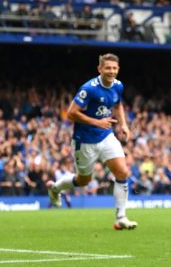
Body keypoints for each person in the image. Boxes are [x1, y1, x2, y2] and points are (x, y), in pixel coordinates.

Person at [46, 53, 137, 230]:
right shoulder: (89, 89)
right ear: (100, 69)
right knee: (83, 181)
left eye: (114, 68)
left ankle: (121, 217)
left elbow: (117, 105)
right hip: (85, 140)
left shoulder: (118, 86)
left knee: (122, 172)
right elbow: (71, 113)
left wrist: (124, 125)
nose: (111, 71)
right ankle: (55, 188)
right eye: (107, 68)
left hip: (106, 136)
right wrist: (98, 122)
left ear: (118, 69)